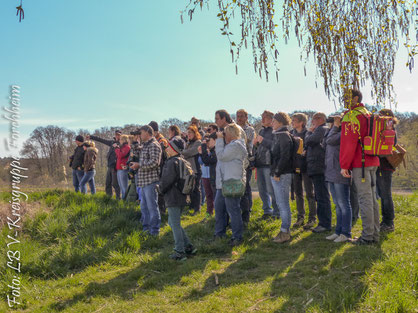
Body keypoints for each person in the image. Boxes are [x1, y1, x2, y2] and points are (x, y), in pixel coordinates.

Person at [340, 88, 380, 245]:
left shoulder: (351, 115)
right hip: (372, 161)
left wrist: (344, 165)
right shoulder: (367, 113)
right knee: (372, 198)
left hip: (360, 163)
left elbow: (348, 143)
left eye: (347, 97)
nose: (344, 100)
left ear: (355, 98)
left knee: (364, 199)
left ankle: (367, 236)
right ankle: (374, 234)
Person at [160, 137, 197, 261]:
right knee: (173, 223)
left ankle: (179, 251)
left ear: (173, 149)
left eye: (168, 146)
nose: (166, 148)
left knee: (175, 225)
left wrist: (160, 189)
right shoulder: (184, 161)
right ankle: (189, 246)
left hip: (173, 197)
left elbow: (166, 181)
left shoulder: (171, 162)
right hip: (183, 196)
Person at [214, 123, 247, 246]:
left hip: (231, 183)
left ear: (231, 134)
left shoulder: (236, 146)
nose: (223, 135)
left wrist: (218, 140)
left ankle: (237, 237)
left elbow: (221, 156)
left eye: (225, 133)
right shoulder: (230, 145)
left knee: (233, 210)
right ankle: (219, 234)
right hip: (223, 183)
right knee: (219, 209)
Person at [323, 114, 352, 242]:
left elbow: (330, 140)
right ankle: (338, 231)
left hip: (340, 171)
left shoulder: (343, 133)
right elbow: (325, 142)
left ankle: (346, 233)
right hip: (331, 171)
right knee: (337, 204)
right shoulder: (332, 132)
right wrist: (333, 127)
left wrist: (336, 126)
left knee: (344, 204)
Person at [130, 125, 162, 236]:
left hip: (151, 181)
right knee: (144, 207)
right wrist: (134, 142)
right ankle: (146, 229)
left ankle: (154, 231)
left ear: (148, 132)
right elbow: (137, 154)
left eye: (141, 132)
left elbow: (154, 162)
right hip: (143, 182)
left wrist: (139, 165)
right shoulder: (145, 145)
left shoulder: (154, 145)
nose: (140, 134)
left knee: (152, 207)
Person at [305, 112, 332, 233]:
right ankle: (323, 222)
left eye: (314, 119)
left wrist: (309, 132)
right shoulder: (320, 129)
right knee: (319, 196)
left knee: (322, 196)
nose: (312, 122)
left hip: (319, 167)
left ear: (320, 119)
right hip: (316, 167)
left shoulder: (322, 129)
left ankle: (325, 223)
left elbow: (310, 141)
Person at [270, 112, 294, 243]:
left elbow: (285, 156)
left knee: (283, 204)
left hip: (282, 174)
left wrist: (278, 172)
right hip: (278, 173)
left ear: (280, 122)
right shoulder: (278, 135)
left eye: (274, 121)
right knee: (281, 203)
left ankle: (285, 232)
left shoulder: (284, 136)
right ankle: (284, 230)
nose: (272, 123)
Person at [290, 113, 317, 229]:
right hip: (295, 167)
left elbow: (312, 147)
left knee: (310, 193)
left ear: (301, 122)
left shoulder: (308, 133)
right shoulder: (291, 134)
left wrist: (306, 152)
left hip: (306, 166)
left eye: (294, 120)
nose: (292, 122)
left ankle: (312, 218)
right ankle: (300, 217)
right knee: (298, 193)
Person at [253, 110, 280, 219]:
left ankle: (277, 212)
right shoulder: (261, 131)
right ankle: (267, 211)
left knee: (271, 190)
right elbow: (258, 148)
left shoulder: (275, 131)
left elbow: (275, 147)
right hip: (259, 163)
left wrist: (262, 140)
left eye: (265, 117)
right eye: (262, 117)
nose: (262, 119)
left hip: (269, 164)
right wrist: (255, 144)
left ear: (271, 119)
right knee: (262, 189)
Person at [376, 109, 397, 232]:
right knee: (382, 194)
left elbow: (388, 148)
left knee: (385, 194)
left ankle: (389, 222)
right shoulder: (384, 129)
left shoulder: (390, 130)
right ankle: (385, 221)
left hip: (385, 166)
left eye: (380, 115)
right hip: (380, 166)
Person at [236, 109, 256, 226]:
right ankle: (239, 211)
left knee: (246, 187)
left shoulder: (249, 129)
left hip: (246, 161)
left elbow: (244, 142)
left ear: (246, 117)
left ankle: (247, 212)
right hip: (235, 161)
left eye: (242, 116)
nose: (239, 118)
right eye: (238, 116)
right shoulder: (233, 127)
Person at [88, 130, 121, 199]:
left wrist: (118, 146)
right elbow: (101, 140)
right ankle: (108, 198)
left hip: (115, 167)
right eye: (116, 134)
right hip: (109, 166)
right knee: (108, 183)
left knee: (115, 184)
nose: (117, 136)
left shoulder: (121, 143)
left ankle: (118, 198)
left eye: (119, 135)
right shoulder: (112, 142)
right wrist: (91, 137)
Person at [149, 121, 169, 214]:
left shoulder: (162, 140)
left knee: (160, 189)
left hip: (163, 168)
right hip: (158, 168)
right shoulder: (155, 140)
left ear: (155, 131)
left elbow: (164, 157)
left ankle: (162, 209)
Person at [181, 125, 202, 215]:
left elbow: (190, 152)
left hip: (195, 169)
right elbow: (185, 153)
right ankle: (192, 206)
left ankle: (197, 209)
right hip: (188, 169)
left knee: (196, 189)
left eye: (190, 132)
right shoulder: (188, 143)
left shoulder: (198, 142)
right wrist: (184, 153)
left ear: (195, 133)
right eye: (188, 132)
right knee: (190, 189)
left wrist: (181, 152)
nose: (188, 134)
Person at [198, 132, 218, 218]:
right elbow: (201, 161)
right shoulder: (205, 150)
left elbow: (208, 160)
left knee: (215, 195)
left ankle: (216, 214)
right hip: (205, 175)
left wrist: (206, 152)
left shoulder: (214, 151)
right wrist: (201, 153)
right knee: (208, 195)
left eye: (208, 140)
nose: (207, 143)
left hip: (212, 175)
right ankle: (209, 213)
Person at [114, 134, 131, 200]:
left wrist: (116, 148)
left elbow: (120, 155)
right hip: (119, 168)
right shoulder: (121, 147)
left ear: (124, 140)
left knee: (124, 187)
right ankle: (124, 199)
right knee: (121, 186)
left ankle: (125, 200)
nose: (119, 141)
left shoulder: (127, 147)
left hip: (123, 169)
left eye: (121, 139)